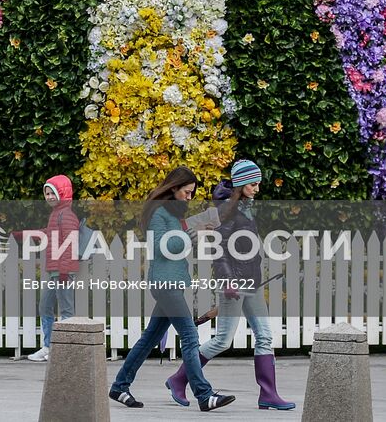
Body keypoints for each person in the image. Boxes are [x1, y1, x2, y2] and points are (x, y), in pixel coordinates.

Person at [166, 159, 294, 410]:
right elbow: (220, 250)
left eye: (258, 183)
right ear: (241, 184)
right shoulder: (229, 210)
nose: (257, 188)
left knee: (265, 337)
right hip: (233, 285)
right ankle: (178, 379)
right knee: (222, 340)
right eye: (253, 184)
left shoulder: (245, 207)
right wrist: (227, 281)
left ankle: (268, 394)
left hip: (252, 282)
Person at [109, 167, 235, 411]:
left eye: (192, 194)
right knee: (189, 336)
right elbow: (160, 247)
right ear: (174, 188)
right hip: (165, 284)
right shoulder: (159, 214)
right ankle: (204, 395)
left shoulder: (171, 214)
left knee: (149, 339)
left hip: (170, 282)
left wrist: (197, 234)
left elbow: (178, 246)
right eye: (187, 192)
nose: (189, 197)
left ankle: (119, 386)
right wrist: (191, 233)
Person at [26, 174, 80, 363]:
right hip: (54, 271)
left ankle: (64, 350)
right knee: (45, 306)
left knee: (66, 311)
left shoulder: (66, 216)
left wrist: (64, 271)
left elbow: (70, 244)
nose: (49, 197)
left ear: (63, 193)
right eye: (47, 193)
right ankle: (48, 346)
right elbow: (51, 234)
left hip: (63, 271)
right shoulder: (56, 214)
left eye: (53, 193)